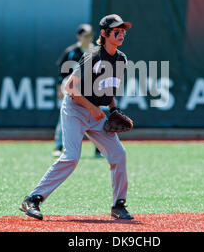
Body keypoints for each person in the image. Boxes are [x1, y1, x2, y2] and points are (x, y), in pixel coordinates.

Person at [20, 14, 134, 220]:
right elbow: (70, 87)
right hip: (75, 109)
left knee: (119, 155)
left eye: (123, 30)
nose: (121, 34)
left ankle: (119, 205)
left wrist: (114, 109)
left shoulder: (121, 59)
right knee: (72, 157)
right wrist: (91, 108)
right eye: (116, 30)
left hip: (96, 111)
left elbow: (108, 89)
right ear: (104, 33)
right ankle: (33, 198)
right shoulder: (93, 56)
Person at [53, 24, 102, 158]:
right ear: (79, 36)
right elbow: (62, 73)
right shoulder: (71, 51)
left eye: (91, 35)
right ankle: (58, 146)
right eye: (86, 35)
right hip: (71, 88)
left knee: (95, 117)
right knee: (65, 118)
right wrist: (59, 89)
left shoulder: (97, 51)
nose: (89, 38)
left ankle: (99, 149)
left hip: (90, 89)